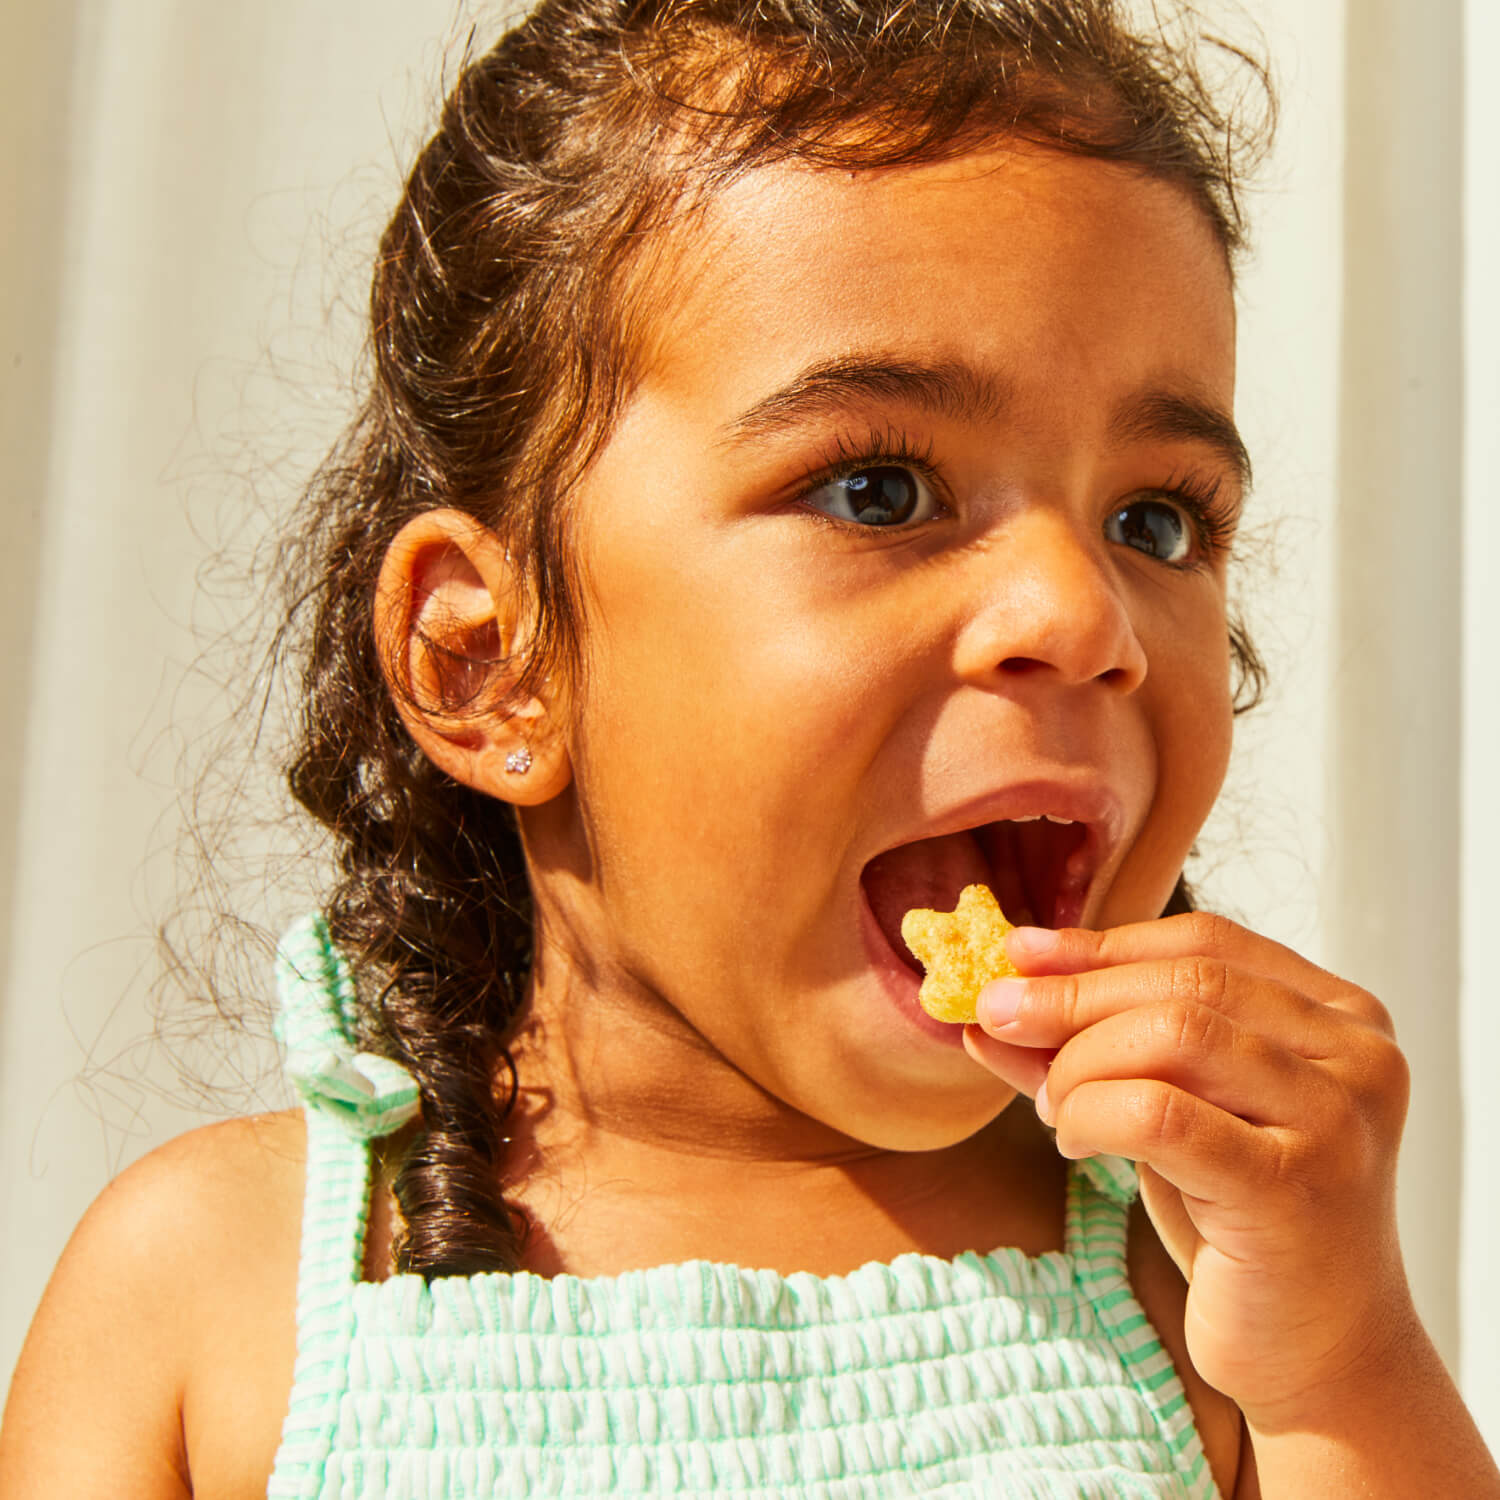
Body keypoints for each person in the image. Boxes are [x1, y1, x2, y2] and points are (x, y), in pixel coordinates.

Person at [2, 0, 1496, 1494]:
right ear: (490, 662)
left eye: (1155, 521)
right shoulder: (212, 1295)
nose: (1080, 612)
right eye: (879, 490)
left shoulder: (1209, 1303)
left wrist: (1341, 1368)